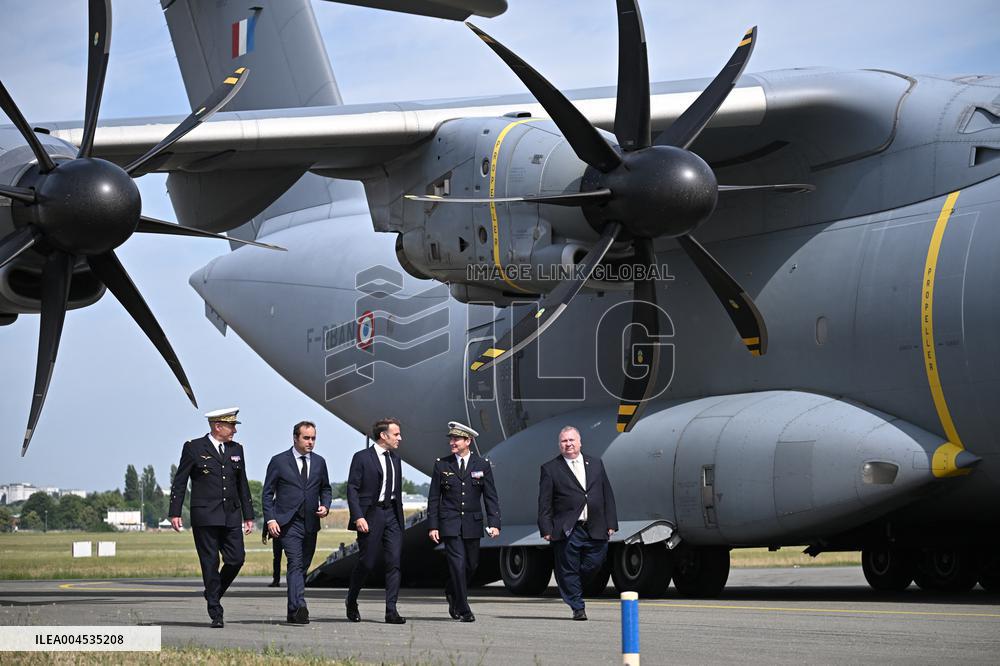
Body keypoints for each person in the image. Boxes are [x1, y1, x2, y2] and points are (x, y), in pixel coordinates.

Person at [168, 408, 255, 628]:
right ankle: (216, 611)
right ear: (218, 426)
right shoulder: (194, 447)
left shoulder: (237, 449)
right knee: (210, 563)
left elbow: (241, 484)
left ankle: (212, 592)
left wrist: (249, 515)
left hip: (231, 515)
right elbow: (180, 481)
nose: (235, 430)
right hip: (205, 515)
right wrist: (175, 512)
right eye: (231, 425)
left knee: (237, 559)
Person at [538, 425, 618, 621]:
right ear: (559, 445)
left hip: (595, 525)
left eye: (572, 440)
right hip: (568, 528)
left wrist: (611, 522)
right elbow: (544, 502)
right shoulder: (550, 469)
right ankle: (577, 606)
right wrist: (546, 528)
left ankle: (571, 584)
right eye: (564, 441)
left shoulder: (596, 464)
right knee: (568, 568)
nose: (568, 444)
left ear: (580, 442)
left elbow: (607, 493)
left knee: (594, 563)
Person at [427, 421, 501, 622]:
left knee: (471, 565)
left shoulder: (482, 465)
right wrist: (433, 525)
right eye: (451, 438)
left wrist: (494, 522)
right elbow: (434, 497)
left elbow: (490, 496)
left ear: (468, 441)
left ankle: (452, 591)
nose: (452, 442)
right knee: (457, 565)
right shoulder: (442, 464)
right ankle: (464, 608)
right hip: (450, 524)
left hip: (472, 523)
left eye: (456, 439)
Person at [262, 420, 332, 624]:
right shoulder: (279, 461)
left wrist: (325, 506)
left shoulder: (319, 462)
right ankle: (300, 606)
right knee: (295, 563)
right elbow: (267, 494)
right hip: (287, 522)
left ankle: (292, 611)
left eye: (313, 438)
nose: (310, 442)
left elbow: (325, 488)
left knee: (302, 567)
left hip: (310, 522)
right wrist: (271, 519)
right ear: (295, 438)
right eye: (306, 438)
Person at [345, 417, 406, 624]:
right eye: (396, 434)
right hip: (371, 515)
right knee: (367, 562)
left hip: (392, 515)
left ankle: (391, 610)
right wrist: (358, 516)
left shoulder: (396, 458)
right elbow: (352, 488)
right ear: (383, 435)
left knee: (394, 563)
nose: (400, 438)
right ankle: (351, 600)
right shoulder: (362, 457)